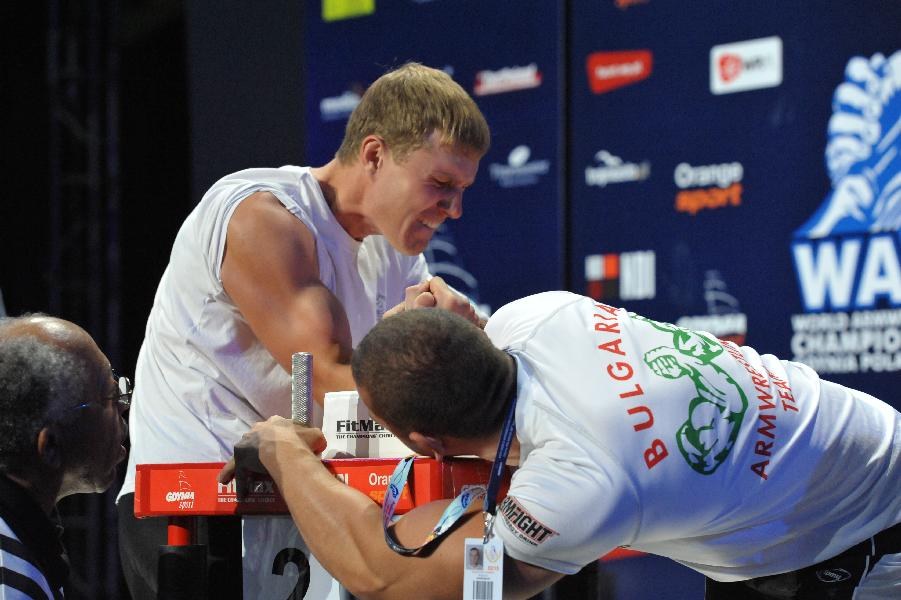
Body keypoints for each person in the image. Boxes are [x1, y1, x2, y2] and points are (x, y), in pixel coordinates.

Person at [222, 291, 901, 600]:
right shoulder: (538, 311)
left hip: (855, 532)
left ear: (424, 442)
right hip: (840, 451)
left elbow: (378, 575)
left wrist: (282, 450)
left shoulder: (580, 486)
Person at [116, 61, 491, 599]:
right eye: (441, 184)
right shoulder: (261, 216)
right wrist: (443, 373)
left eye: (463, 190)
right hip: (199, 507)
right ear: (374, 154)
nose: (454, 208)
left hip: (298, 501)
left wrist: (460, 339)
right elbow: (330, 381)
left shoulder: (395, 251)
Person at [0, 315, 130, 598]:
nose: (123, 406)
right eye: (109, 395)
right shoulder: (9, 581)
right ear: (50, 447)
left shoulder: (24, 538)